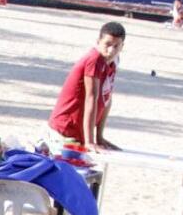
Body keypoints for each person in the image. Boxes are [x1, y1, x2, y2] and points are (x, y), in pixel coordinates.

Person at [48, 21, 125, 151]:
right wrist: (89, 142)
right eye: (107, 44)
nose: (111, 51)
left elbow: (106, 98)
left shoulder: (114, 62)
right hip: (65, 131)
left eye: (116, 46)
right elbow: (91, 98)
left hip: (80, 134)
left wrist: (99, 137)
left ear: (122, 46)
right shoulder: (94, 60)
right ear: (98, 42)